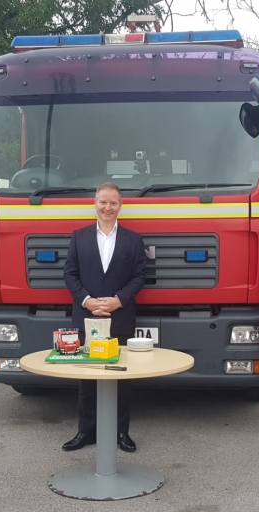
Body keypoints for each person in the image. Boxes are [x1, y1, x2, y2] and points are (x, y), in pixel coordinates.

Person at [63, 182, 147, 452]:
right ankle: (86, 431)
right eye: (103, 202)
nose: (107, 208)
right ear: (95, 204)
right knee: (87, 377)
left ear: (120, 206)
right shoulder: (79, 237)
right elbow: (70, 274)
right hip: (87, 317)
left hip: (120, 317)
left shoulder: (133, 240)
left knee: (121, 377)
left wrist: (118, 300)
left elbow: (139, 277)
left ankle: (122, 432)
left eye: (113, 203)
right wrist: (88, 301)